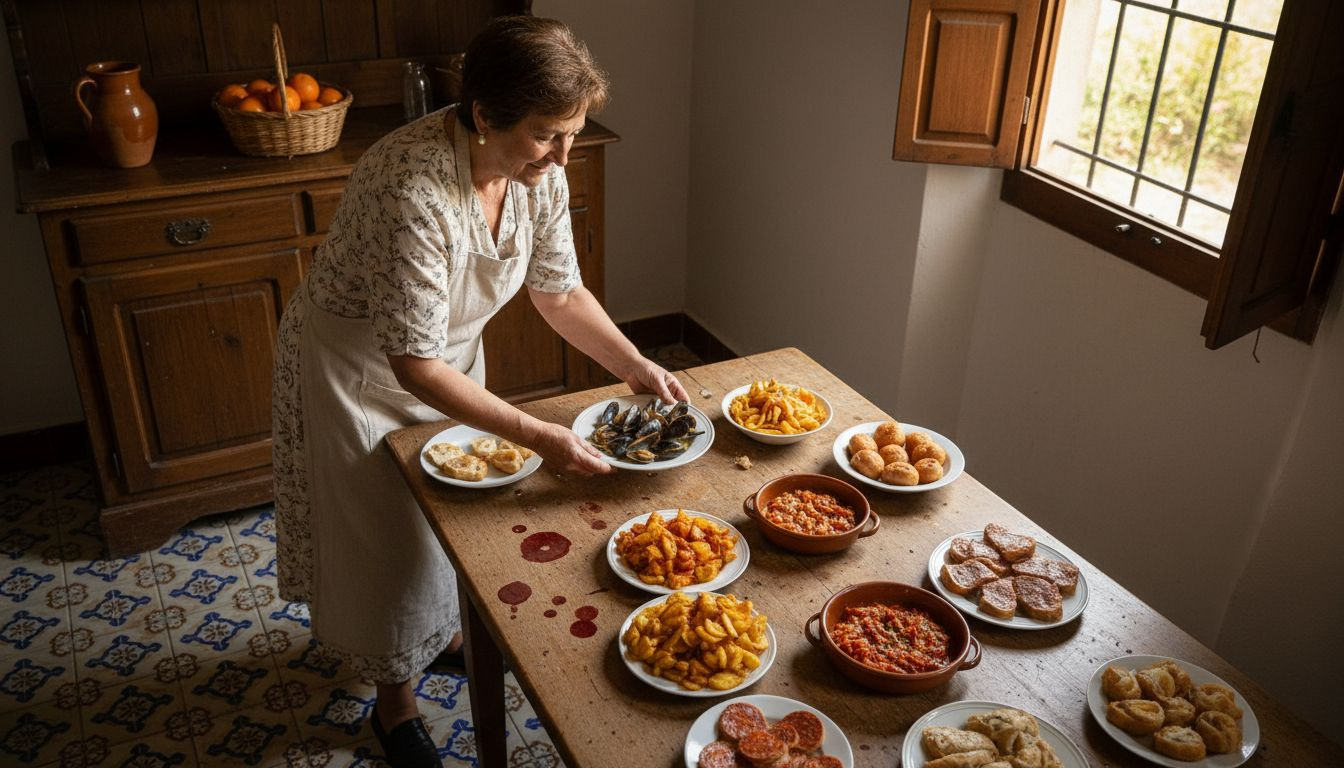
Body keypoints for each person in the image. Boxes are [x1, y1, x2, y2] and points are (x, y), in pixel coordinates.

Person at [271, 15, 688, 767]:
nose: (563, 155)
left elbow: (560, 294)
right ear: (485, 115)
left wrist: (633, 364)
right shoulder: (414, 188)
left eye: (573, 132)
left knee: (452, 523)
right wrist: (539, 435)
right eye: (546, 135)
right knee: (387, 544)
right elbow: (412, 366)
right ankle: (394, 711)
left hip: (447, 357)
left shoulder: (538, 172)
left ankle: (448, 635)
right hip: (361, 371)